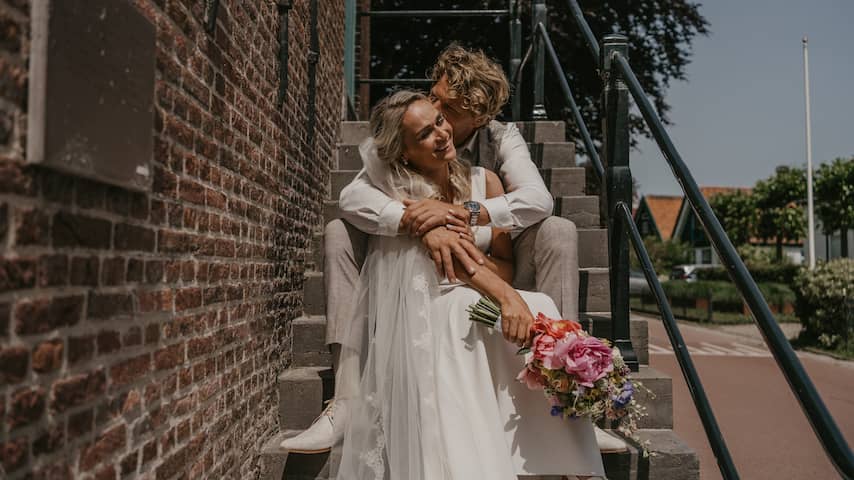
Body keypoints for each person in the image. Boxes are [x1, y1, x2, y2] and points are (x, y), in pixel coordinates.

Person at [280, 45, 626, 455]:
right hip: (414, 270)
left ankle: (566, 390)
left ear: (477, 117)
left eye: (447, 109)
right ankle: (346, 399)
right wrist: (416, 223)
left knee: (560, 231)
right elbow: (355, 195)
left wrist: (465, 211)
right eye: (434, 94)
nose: (432, 106)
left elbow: (538, 200)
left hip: (486, 258)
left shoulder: (500, 141)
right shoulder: (407, 125)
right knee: (339, 229)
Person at [336, 90, 605, 479]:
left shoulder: (485, 180)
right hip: (429, 302)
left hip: (477, 288)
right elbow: (352, 199)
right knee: (467, 315)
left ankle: (561, 458)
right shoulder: (406, 195)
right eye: (426, 133)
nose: (442, 134)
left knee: (542, 305)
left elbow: (502, 264)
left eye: (440, 122)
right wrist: (506, 297)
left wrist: (505, 290)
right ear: (406, 152)